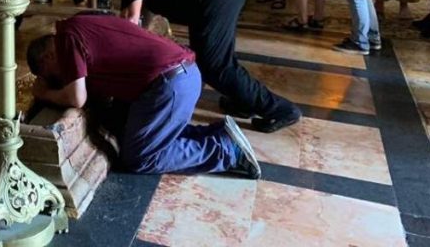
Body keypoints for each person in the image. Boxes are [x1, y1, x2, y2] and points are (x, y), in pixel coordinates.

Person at [81, 0, 302, 133]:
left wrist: (109, 52)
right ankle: (244, 100)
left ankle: (281, 109)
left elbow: (130, 19)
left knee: (214, 65)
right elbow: (144, 7)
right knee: (215, 59)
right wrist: (144, 35)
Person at [27, 14, 261, 178]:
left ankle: (226, 151)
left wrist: (46, 92)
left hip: (171, 85)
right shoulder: (78, 25)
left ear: (47, 58)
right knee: (131, 129)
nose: (62, 79)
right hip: (180, 76)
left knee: (140, 158)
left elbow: (77, 98)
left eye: (52, 75)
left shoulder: (66, 39)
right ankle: (216, 134)